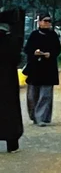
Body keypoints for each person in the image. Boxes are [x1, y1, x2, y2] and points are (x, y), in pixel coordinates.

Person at [23, 14, 61, 126]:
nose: (47, 23)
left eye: (49, 21)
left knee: (46, 95)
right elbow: (27, 49)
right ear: (39, 22)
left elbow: (57, 49)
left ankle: (41, 117)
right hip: (35, 69)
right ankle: (34, 115)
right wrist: (34, 52)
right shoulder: (34, 35)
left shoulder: (53, 35)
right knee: (31, 95)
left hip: (49, 69)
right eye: (45, 21)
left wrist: (51, 54)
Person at [0, 11, 23, 153]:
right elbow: (17, 59)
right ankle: (12, 143)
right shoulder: (12, 40)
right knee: (10, 109)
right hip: (7, 79)